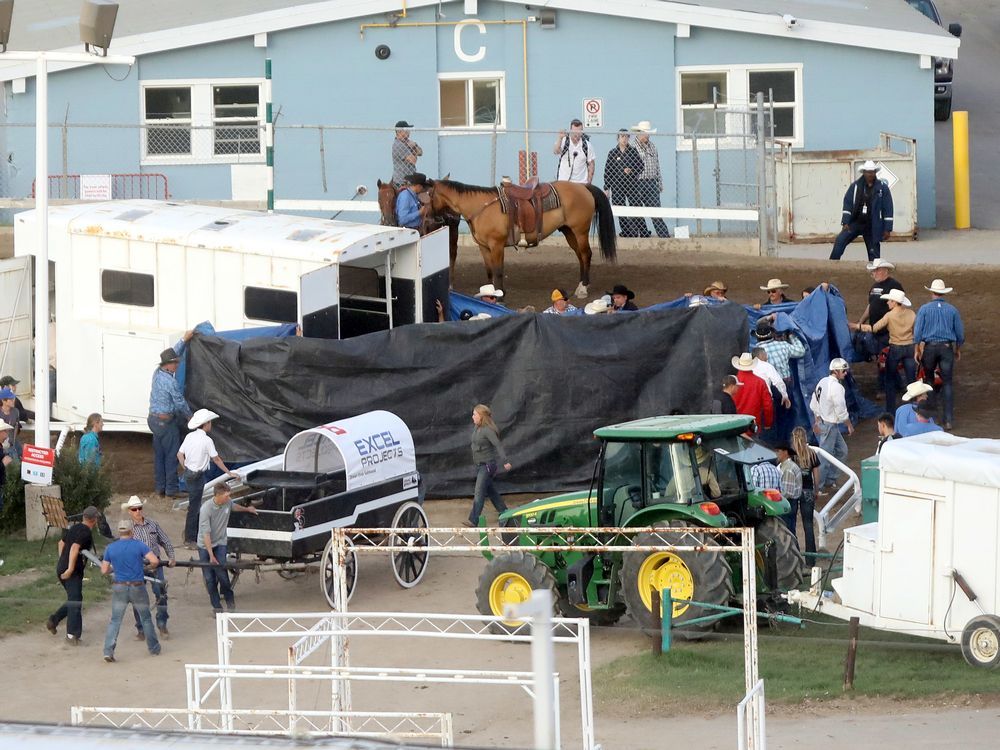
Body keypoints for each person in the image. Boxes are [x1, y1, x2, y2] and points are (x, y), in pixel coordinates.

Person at [100, 520, 161, 662]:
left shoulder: (111, 548)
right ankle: (154, 648)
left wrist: (113, 569)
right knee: (145, 618)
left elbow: (104, 570)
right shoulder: (139, 545)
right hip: (137, 586)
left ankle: (108, 651)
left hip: (119, 586)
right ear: (131, 531)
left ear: (119, 532)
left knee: (115, 620)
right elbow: (155, 561)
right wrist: (147, 568)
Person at [179, 409, 239, 547]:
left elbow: (179, 454)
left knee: (195, 504)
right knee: (194, 507)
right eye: (210, 422)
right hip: (198, 475)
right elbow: (216, 459)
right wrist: (229, 473)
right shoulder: (207, 440)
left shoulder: (189, 437)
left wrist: (186, 468)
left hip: (189, 473)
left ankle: (193, 534)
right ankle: (190, 538)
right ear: (206, 424)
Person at [851, 287, 916, 412]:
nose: (887, 303)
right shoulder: (911, 314)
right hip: (909, 348)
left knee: (889, 378)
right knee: (911, 380)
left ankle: (890, 409)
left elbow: (874, 328)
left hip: (896, 348)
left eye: (890, 301)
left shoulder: (890, 315)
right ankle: (914, 408)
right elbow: (916, 331)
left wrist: (856, 326)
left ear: (894, 302)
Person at [198, 483, 258, 614]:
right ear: (218, 495)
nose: (229, 498)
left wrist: (247, 509)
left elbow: (234, 506)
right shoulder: (206, 509)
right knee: (209, 578)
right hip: (205, 546)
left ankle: (230, 603)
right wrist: (211, 555)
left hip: (220, 543)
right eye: (226, 495)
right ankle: (217, 607)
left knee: (222, 575)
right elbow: (205, 534)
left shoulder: (227, 502)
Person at [148, 331, 195, 497]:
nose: (176, 365)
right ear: (167, 365)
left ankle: (160, 488)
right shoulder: (171, 382)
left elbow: (173, 352)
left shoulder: (157, 373)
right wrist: (190, 417)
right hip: (166, 423)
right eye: (174, 363)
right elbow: (180, 402)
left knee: (159, 455)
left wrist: (184, 340)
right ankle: (172, 489)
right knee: (172, 455)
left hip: (153, 421)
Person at [123, 495, 176, 640]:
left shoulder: (153, 524)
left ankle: (162, 624)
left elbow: (165, 540)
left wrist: (171, 557)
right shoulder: (127, 529)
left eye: (139, 508)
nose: (138, 511)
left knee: (161, 594)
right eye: (134, 509)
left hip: (155, 563)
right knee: (137, 598)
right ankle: (141, 628)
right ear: (129, 511)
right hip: (137, 566)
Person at [46, 505, 100, 645]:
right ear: (94, 520)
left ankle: (54, 620)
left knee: (74, 598)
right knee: (75, 601)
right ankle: (72, 636)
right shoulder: (86, 532)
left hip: (61, 568)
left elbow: (61, 543)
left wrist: (62, 562)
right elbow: (75, 548)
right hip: (72, 572)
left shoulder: (74, 528)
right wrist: (70, 569)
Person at [914, 278, 964, 431]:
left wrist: (917, 348)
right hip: (946, 347)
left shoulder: (924, 309)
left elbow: (917, 332)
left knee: (929, 382)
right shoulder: (952, 310)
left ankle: (932, 418)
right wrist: (957, 348)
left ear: (932, 293)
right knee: (947, 382)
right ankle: (948, 420)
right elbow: (960, 333)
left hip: (929, 348)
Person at [830, 160, 894, 261]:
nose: (870, 174)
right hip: (856, 222)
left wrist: (887, 228)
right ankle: (832, 264)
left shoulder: (882, 188)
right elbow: (848, 203)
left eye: (872, 172)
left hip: (872, 224)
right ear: (863, 172)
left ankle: (875, 269)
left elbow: (888, 208)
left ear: (875, 172)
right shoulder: (855, 186)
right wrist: (845, 222)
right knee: (840, 240)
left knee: (874, 251)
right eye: (868, 172)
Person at [810, 358, 854, 491]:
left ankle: (829, 480)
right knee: (824, 457)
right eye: (843, 371)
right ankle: (819, 486)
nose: (845, 373)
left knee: (842, 451)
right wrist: (849, 424)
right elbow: (841, 409)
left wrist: (817, 418)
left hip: (826, 423)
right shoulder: (837, 387)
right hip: (829, 425)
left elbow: (814, 401)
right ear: (835, 371)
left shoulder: (822, 382)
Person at [465, 404, 512, 527]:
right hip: (480, 465)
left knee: (479, 492)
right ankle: (504, 511)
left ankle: (473, 520)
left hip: (487, 466)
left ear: (481, 416)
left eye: (475, 414)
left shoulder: (487, 430)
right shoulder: (477, 428)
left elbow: (498, 445)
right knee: (491, 491)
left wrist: (505, 461)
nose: (472, 417)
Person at [631, 121, 670, 238]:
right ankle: (635, 235)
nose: (647, 136)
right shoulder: (632, 147)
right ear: (639, 133)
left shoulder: (653, 146)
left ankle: (664, 236)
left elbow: (657, 165)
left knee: (656, 210)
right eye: (645, 133)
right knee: (636, 211)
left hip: (652, 182)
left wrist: (660, 182)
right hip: (637, 182)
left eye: (648, 133)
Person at [603, 129, 645, 237]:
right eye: (622, 137)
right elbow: (608, 171)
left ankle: (642, 231)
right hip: (617, 185)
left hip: (631, 185)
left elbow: (641, 166)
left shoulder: (633, 151)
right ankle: (626, 231)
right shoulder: (612, 153)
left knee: (635, 206)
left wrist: (631, 170)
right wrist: (607, 187)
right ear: (618, 138)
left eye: (626, 137)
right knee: (619, 207)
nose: (624, 139)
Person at [790, 426, 819, 555]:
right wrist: (816, 490)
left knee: (792, 525)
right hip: (808, 491)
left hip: (794, 492)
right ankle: (811, 558)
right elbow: (816, 475)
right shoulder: (811, 453)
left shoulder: (791, 455)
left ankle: (795, 555)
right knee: (808, 525)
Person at [731, 353, 774, 431]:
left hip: (735, 425)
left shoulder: (732, 384)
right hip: (753, 425)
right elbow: (768, 405)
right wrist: (768, 423)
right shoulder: (760, 382)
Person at [775, 443, 804, 541]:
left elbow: (787, 492)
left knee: (787, 532)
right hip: (791, 502)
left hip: (788, 503)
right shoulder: (788, 466)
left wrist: (775, 500)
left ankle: (793, 553)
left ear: (785, 452)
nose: (776, 454)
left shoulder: (788, 468)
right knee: (790, 531)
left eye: (778, 451)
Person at [553, 119, 595, 184]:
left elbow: (591, 163)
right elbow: (556, 151)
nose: (576, 134)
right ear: (570, 130)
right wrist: (560, 138)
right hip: (564, 181)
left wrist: (589, 181)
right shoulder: (564, 141)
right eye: (574, 131)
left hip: (581, 182)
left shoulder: (587, 145)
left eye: (579, 132)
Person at [391, 120, 422, 187]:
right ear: (399, 132)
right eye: (406, 130)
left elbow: (420, 152)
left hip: (410, 178)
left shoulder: (407, 142)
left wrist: (414, 145)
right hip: (402, 181)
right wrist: (414, 152)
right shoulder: (399, 145)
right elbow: (413, 160)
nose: (408, 132)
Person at [0, 387, 20, 456]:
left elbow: (16, 427)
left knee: (19, 461)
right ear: (3, 400)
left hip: (12, 444)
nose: (13, 400)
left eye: (13, 398)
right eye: (11, 399)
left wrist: (13, 442)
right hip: (1, 446)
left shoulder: (16, 411)